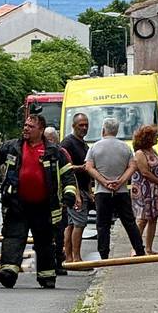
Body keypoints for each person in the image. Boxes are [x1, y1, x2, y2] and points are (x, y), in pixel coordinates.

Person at [0, 111, 81, 289]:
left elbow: (68, 176)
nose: (26, 129)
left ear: (41, 129)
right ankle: (8, 272)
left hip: (44, 206)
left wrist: (69, 195)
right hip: (17, 204)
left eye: (31, 126)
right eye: (25, 125)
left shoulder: (55, 152)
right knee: (13, 237)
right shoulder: (13, 146)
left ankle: (47, 276)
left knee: (45, 242)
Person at [85, 118, 145, 260]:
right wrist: (121, 180)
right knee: (129, 222)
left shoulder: (95, 147)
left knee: (103, 224)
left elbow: (89, 167)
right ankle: (139, 248)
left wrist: (104, 181)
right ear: (117, 130)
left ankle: (104, 253)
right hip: (121, 190)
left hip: (102, 191)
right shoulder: (124, 147)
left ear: (103, 129)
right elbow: (133, 166)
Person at [130, 124, 158, 253]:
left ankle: (149, 248)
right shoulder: (140, 153)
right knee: (142, 219)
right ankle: (136, 248)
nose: (156, 138)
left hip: (154, 190)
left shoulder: (153, 151)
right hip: (144, 189)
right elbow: (145, 172)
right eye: (154, 136)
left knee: (153, 218)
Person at [60, 111, 91, 265]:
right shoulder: (67, 143)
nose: (84, 128)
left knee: (72, 224)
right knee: (79, 223)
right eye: (81, 125)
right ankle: (75, 258)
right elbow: (65, 167)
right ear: (73, 126)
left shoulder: (83, 144)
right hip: (74, 190)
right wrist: (83, 168)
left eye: (86, 125)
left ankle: (70, 257)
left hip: (83, 189)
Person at [44, 125, 72, 275]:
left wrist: (70, 197)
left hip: (58, 203)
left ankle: (58, 263)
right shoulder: (40, 152)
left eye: (50, 140)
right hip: (43, 203)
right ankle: (48, 263)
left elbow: (69, 176)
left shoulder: (61, 154)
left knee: (59, 234)